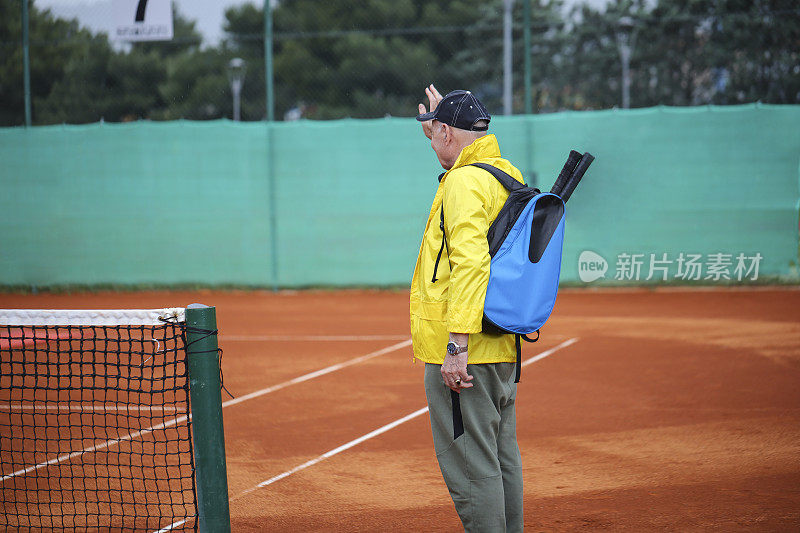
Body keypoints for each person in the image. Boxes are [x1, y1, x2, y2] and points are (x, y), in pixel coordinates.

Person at [411, 84, 525, 532]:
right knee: (500, 457)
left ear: (446, 132)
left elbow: (471, 264)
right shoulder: (503, 172)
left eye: (437, 131)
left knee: (473, 468)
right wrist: (439, 133)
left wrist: (456, 345)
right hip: (501, 344)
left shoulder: (462, 181)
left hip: (467, 350)